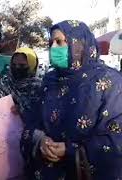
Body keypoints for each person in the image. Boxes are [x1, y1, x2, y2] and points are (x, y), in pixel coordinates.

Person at [20, 20, 122, 180]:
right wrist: (40, 141)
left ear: (79, 45)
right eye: (51, 42)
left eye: (60, 42)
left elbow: (117, 138)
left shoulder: (109, 82)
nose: (53, 48)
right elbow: (34, 121)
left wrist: (73, 151)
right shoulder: (50, 80)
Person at [0, 47, 41, 115]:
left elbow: (42, 112)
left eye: (22, 65)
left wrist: (24, 110)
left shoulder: (39, 88)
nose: (17, 67)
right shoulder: (5, 82)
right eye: (14, 64)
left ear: (32, 66)